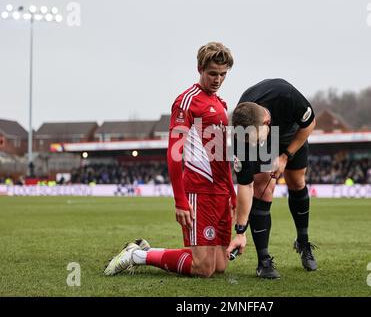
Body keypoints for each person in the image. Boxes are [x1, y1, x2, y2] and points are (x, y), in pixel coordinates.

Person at [105, 42, 236, 277]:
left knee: (219, 266)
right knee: (203, 268)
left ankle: (146, 250)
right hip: (199, 190)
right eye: (213, 74)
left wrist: (232, 194)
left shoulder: (221, 104)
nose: (218, 80)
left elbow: (222, 155)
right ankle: (136, 255)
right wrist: (180, 200)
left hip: (220, 194)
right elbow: (174, 152)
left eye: (223, 74)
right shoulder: (187, 101)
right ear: (200, 69)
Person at [226, 78, 317, 279]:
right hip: (264, 134)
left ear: (267, 122)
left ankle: (303, 241)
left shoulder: (287, 95)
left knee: (296, 181)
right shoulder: (243, 134)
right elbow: (245, 185)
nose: (251, 144)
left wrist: (285, 156)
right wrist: (240, 231)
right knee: (263, 187)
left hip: (292, 132)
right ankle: (264, 261)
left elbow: (310, 123)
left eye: (254, 140)